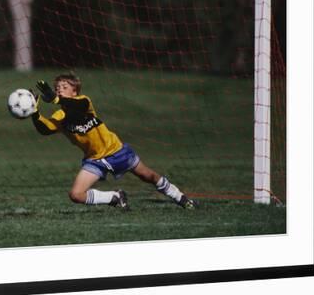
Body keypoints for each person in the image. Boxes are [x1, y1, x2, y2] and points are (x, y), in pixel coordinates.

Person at [31, 73, 197, 210]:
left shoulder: (84, 102)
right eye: (57, 89)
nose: (59, 91)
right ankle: (115, 197)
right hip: (94, 160)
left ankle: (181, 198)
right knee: (76, 195)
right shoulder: (60, 116)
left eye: (64, 88)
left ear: (75, 91)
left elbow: (76, 107)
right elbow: (45, 129)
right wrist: (34, 112)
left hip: (116, 151)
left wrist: (55, 100)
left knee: (150, 176)